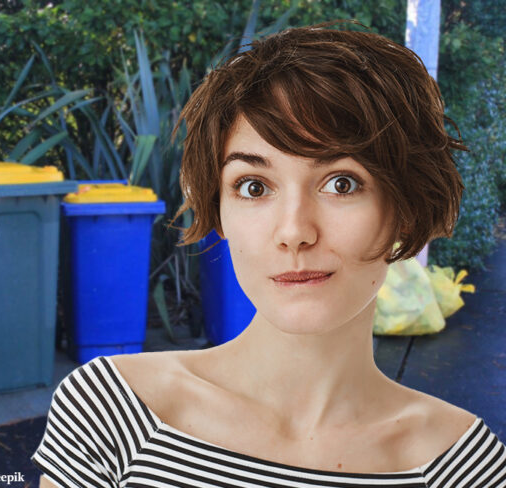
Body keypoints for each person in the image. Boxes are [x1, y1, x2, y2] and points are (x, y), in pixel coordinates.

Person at [31, 21, 506, 487]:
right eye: (254, 186)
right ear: (220, 208)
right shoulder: (113, 410)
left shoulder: (461, 467)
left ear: (404, 206)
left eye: (341, 183)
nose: (294, 232)